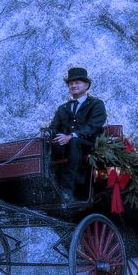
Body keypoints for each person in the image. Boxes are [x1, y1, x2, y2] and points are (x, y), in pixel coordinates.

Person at [48, 67, 107, 201]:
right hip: (64, 144)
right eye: (70, 83)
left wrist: (71, 136)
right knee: (46, 147)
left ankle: (67, 189)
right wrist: (49, 134)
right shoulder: (62, 108)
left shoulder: (96, 104)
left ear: (86, 85)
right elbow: (54, 127)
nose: (73, 85)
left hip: (88, 143)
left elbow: (94, 126)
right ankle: (48, 186)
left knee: (74, 142)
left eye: (77, 82)